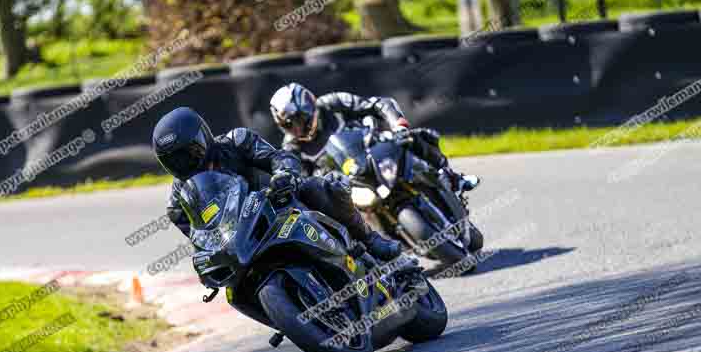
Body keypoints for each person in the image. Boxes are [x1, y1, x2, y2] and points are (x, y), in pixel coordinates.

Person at [153, 107, 402, 261]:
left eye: (187, 153)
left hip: (279, 204)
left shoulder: (236, 141)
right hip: (240, 237)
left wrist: (284, 175)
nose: (183, 163)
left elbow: (278, 156)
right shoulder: (178, 200)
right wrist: (205, 252)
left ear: (203, 137)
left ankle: (370, 240)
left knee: (317, 187)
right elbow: (197, 233)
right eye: (173, 160)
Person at [269, 82, 480, 193]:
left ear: (308, 107)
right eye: (288, 125)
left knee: (417, 138)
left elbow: (379, 104)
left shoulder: (334, 103)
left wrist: (398, 125)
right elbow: (302, 179)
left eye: (298, 120)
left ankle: (453, 177)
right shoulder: (291, 147)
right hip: (350, 184)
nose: (296, 128)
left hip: (375, 147)